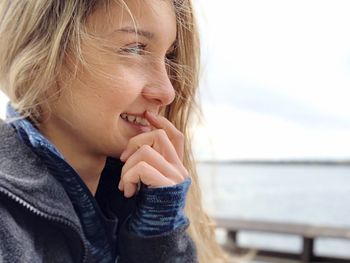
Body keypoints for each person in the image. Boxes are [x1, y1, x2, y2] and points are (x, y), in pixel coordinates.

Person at [0, 0, 232, 262]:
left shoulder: (141, 202)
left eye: (168, 57)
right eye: (135, 48)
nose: (167, 92)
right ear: (39, 57)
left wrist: (158, 237)